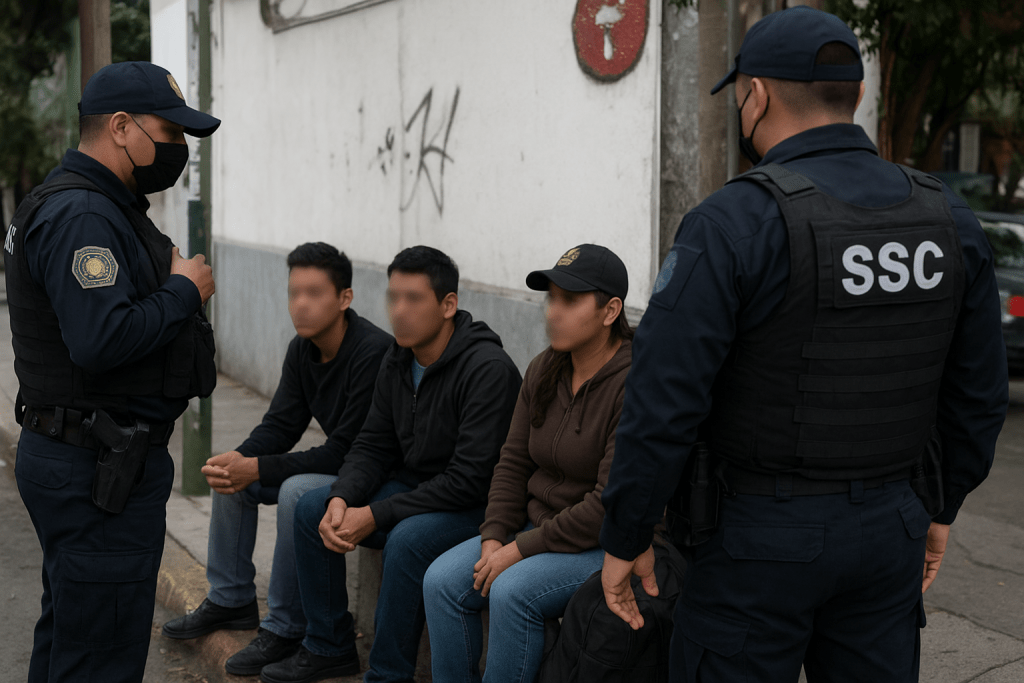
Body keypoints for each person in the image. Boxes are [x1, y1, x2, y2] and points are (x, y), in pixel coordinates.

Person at [598, 7, 1009, 683]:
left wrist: (628, 532)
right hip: (890, 529)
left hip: (756, 540)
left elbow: (662, 402)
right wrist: (940, 506)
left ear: (756, 95)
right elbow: (980, 394)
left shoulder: (732, 222)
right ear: (858, 94)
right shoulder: (947, 217)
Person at [5, 61, 220, 682]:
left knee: (73, 639)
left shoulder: (90, 204)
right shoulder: (84, 216)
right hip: (96, 469)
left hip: (87, 458)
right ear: (121, 127)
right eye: (170, 132)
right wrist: (183, 290)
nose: (178, 148)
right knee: (100, 657)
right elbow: (101, 339)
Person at [259, 245, 522, 683]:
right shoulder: (399, 358)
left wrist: (375, 513)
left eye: (413, 299)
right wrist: (343, 496)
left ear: (448, 305)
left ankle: (387, 674)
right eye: (393, 297)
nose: (399, 310)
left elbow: (470, 480)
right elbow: (372, 445)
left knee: (408, 538)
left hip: (477, 505)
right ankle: (328, 646)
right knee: (312, 509)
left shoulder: (487, 369)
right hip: (415, 488)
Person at [160, 242, 392, 675]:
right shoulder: (302, 349)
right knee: (232, 475)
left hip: (375, 476)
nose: (300, 304)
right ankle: (230, 599)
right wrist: (241, 458)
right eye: (293, 292)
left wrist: (257, 467)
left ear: (345, 298)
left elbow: (346, 451)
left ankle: (285, 627)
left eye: (314, 293)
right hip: (344, 467)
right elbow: (281, 426)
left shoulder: (373, 352)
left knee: (295, 491)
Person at [422, 244, 633, 683]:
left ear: (610, 311)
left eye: (569, 300)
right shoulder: (544, 368)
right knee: (441, 582)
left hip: (603, 544)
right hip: (536, 529)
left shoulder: (634, 384)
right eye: (551, 298)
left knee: (512, 590)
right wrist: (494, 536)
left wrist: (518, 550)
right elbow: (513, 461)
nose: (553, 311)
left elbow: (608, 504)